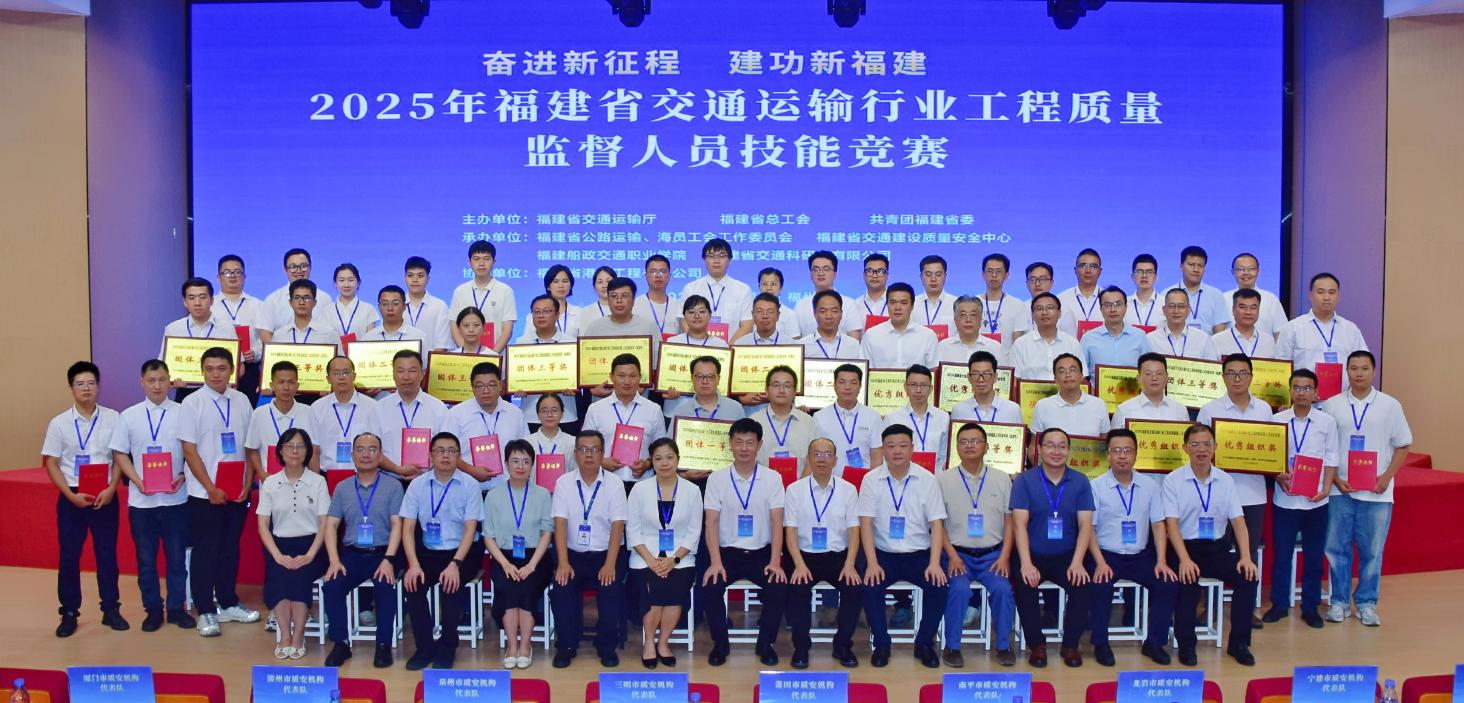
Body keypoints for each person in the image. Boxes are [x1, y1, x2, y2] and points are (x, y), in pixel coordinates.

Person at [1321, 351, 1411, 626]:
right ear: (1346, 371)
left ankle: (1367, 603)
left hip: (1377, 493)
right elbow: (1325, 448)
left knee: (1372, 551)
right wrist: (1335, 480)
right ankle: (1339, 602)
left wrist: (1386, 477)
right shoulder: (1332, 405)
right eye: (1353, 368)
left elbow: (1403, 444)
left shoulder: (1390, 405)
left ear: (1374, 371)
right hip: (1341, 491)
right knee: (1336, 549)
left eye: (1364, 368)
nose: (1359, 373)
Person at [179, 346, 261, 636]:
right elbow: (189, 451)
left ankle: (228, 602)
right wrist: (210, 488)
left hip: (236, 492)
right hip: (205, 494)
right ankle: (205, 610)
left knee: (229, 548)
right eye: (210, 369)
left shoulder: (242, 401)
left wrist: (248, 482)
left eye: (222, 368)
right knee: (206, 550)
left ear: (233, 371)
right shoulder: (192, 403)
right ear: (202, 371)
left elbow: (250, 446)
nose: (216, 374)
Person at [42, 360, 126, 638]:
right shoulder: (59, 423)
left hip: (105, 494)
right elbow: (52, 462)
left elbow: (119, 457)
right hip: (72, 496)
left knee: (107, 554)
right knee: (69, 556)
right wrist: (70, 495)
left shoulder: (114, 418)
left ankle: (111, 609)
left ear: (99, 386)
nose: (86, 388)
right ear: (71, 388)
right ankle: (69, 612)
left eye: (91, 383)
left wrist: (112, 489)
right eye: (80, 384)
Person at [1163, 423, 1258, 666]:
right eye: (1195, 444)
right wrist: (1184, 559)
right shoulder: (1173, 480)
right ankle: (1187, 644)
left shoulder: (1225, 480)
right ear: (1185, 448)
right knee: (1187, 582)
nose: (1201, 449)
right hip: (1184, 548)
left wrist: (1246, 557)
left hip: (1216, 549)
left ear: (1215, 447)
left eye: (1207, 444)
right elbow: (1171, 525)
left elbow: (1238, 521)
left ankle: (1239, 644)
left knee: (1248, 577)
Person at [110, 360, 194, 632]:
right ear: (142, 382)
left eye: (162, 380)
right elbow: (120, 453)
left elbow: (193, 451)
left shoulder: (184, 412)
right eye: (151, 380)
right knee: (146, 561)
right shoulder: (129, 416)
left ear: (170, 381)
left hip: (176, 499)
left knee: (177, 559)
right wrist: (137, 481)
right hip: (142, 502)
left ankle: (176, 608)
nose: (157, 386)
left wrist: (183, 474)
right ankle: (153, 610)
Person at [857, 424, 948, 668]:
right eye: (891, 446)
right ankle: (882, 643)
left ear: (912, 449)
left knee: (939, 585)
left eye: (903, 446)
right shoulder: (871, 479)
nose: (897, 451)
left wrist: (934, 563)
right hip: (883, 554)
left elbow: (936, 524)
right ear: (883, 449)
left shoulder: (927, 479)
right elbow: (866, 524)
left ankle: (924, 643)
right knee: (870, 585)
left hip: (920, 554)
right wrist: (872, 562)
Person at [1086, 429, 1178, 666]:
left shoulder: (1150, 486)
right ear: (1108, 455)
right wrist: (1100, 562)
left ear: (1136, 454)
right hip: (1106, 554)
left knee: (1167, 583)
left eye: (1127, 450)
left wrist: (1161, 561)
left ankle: (1154, 643)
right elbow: (1089, 529)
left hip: (1140, 556)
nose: (1122, 456)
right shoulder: (1096, 486)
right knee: (1100, 585)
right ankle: (1100, 643)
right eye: (1116, 450)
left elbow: (1158, 525)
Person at [702, 418, 790, 666]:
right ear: (730, 444)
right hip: (727, 554)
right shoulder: (717, 479)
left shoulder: (772, 478)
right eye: (738, 442)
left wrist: (775, 561)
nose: (744, 448)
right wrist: (715, 562)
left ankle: (766, 644)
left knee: (778, 587)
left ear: (759, 445)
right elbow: (711, 522)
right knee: (710, 587)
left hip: (762, 553)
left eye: (750, 443)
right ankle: (720, 644)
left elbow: (777, 521)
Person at [1010, 428, 1095, 668]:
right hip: (1032, 553)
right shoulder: (1025, 481)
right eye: (1050, 445)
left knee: (1083, 585)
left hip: (1068, 555)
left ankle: (1070, 645)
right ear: (1039, 449)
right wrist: (1026, 563)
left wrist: (1077, 562)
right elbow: (1019, 524)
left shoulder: (1080, 481)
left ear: (1068, 450)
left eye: (1061, 446)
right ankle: (1037, 645)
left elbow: (1085, 525)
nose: (1056, 451)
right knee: (1025, 584)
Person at [400, 432, 485, 670]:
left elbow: (470, 528)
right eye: (440, 451)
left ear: (459, 456)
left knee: (450, 586)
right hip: (429, 551)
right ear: (430, 456)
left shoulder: (469, 484)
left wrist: (455, 564)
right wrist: (413, 564)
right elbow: (408, 528)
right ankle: (424, 647)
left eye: (451, 451)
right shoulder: (418, 484)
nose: (445, 455)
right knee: (413, 585)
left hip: (462, 552)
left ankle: (448, 647)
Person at [936, 423, 1016, 668]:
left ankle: (1003, 646)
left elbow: (1010, 522)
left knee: (1003, 590)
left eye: (975, 441)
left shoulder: (1002, 479)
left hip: (993, 555)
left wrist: (1004, 557)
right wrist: (951, 555)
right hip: (957, 554)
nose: (969, 445)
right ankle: (952, 646)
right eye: (963, 441)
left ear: (986, 447)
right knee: (959, 589)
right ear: (956, 447)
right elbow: (938, 523)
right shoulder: (943, 479)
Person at [321, 432, 404, 668]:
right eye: (360, 449)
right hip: (352, 554)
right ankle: (341, 643)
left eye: (372, 449)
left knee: (384, 586)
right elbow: (331, 525)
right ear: (352, 455)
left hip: (384, 553)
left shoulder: (393, 486)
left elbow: (397, 524)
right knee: (332, 585)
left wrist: (389, 559)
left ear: (380, 455)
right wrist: (334, 560)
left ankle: (383, 645)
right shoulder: (342, 487)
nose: (366, 454)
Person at [1263, 369, 1336, 629]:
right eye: (1296, 387)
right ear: (1290, 391)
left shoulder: (1326, 422)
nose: (1301, 392)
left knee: (1314, 557)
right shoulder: (1277, 420)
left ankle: (1310, 607)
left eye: (1307, 388)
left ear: (1316, 393)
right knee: (1282, 555)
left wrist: (1326, 488)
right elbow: (1271, 457)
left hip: (1316, 501)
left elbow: (1331, 457)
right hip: (1285, 500)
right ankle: (1279, 604)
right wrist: (1278, 476)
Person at [549, 431, 629, 669]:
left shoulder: (614, 484)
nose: (589, 455)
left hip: (607, 554)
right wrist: (563, 562)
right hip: (572, 554)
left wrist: (610, 564)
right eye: (583, 449)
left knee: (611, 591)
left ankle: (606, 646)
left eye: (594, 449)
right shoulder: (564, 483)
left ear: (602, 454)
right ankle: (566, 646)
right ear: (575, 454)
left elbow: (618, 526)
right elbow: (560, 523)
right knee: (561, 590)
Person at [783, 437, 864, 669]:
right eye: (816, 454)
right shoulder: (795, 490)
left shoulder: (848, 490)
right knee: (797, 589)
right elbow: (790, 531)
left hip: (838, 557)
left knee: (854, 589)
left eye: (827, 454)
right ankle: (801, 647)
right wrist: (799, 564)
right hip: (803, 556)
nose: (822, 459)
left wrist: (849, 564)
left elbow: (854, 531)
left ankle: (842, 646)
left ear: (835, 460)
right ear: (808, 459)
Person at [1196, 354, 1272, 602]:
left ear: (1251, 377)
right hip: (1215, 495)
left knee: (1247, 554)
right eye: (1231, 373)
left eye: (1242, 373)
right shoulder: (1210, 410)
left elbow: (1272, 448)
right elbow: (1199, 451)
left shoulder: (1264, 409)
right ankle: (1209, 607)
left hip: (1252, 494)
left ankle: (1245, 611)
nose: (1237, 378)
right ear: (1223, 377)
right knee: (1212, 554)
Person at [626, 438, 703, 669]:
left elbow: (694, 532)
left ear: (678, 459)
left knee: (675, 590)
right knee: (652, 591)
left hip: (680, 557)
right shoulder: (639, 490)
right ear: (651, 462)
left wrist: (674, 560)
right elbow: (633, 530)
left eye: (669, 457)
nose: (664, 463)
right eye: (658, 458)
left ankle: (663, 642)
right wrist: (651, 561)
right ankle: (649, 642)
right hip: (644, 557)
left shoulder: (692, 491)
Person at [257, 428, 330, 660]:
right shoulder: (270, 483)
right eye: (289, 446)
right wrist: (277, 555)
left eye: (300, 446)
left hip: (312, 546)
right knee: (278, 574)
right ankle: (284, 636)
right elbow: (263, 525)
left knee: (299, 575)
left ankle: (298, 635)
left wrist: (310, 555)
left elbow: (325, 523)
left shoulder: (318, 482)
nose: (295, 451)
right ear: (281, 451)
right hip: (279, 545)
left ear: (307, 451)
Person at [482, 440, 555, 669]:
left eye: (526, 461)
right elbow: (488, 536)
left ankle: (525, 645)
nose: (520, 466)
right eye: (515, 461)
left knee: (525, 586)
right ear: (506, 464)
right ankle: (511, 646)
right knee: (508, 587)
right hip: (503, 557)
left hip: (536, 557)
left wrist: (532, 565)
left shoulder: (543, 494)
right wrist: (504, 564)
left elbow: (546, 533)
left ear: (533, 465)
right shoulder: (493, 495)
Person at [582, 353, 666, 483]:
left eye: (632, 376)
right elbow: (584, 447)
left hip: (642, 483)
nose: (627, 381)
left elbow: (662, 448)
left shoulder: (654, 410)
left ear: (640, 377)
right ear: (611, 377)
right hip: (605, 483)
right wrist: (601, 462)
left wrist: (647, 464)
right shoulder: (596, 409)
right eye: (621, 376)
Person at [447, 361, 531, 491]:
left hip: (507, 490)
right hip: (468, 489)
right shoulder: (456, 414)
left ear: (500, 385)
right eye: (480, 386)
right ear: (472, 387)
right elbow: (448, 451)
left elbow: (526, 451)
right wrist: (471, 470)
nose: (486, 391)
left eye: (491, 385)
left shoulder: (516, 413)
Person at [1277, 273, 1369, 389]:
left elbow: (1364, 363)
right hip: (1304, 397)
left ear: (1338, 296)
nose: (1326, 297)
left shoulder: (1350, 329)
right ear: (1310, 296)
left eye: (1331, 292)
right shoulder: (1293, 327)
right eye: (1320, 292)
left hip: (1342, 397)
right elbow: (1280, 366)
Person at [377, 350, 449, 480]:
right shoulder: (379, 408)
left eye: (412, 371)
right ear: (393, 375)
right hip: (388, 479)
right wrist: (396, 469)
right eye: (400, 371)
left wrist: (425, 472)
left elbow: (446, 448)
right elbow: (372, 449)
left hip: (429, 480)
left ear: (422, 374)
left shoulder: (438, 408)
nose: (406, 377)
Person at [515, 293, 579, 432]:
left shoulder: (571, 344)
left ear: (557, 315)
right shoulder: (521, 344)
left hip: (565, 414)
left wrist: (575, 386)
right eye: (536, 312)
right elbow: (515, 377)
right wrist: (516, 386)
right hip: (530, 414)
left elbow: (579, 379)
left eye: (546, 311)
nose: (541, 315)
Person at [309, 356, 382, 471]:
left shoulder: (372, 407)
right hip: (327, 475)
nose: (341, 377)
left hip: (362, 474)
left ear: (354, 376)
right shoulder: (317, 408)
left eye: (346, 372)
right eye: (336, 373)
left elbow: (379, 447)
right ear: (328, 378)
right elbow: (314, 449)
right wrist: (317, 480)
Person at [813, 363, 884, 476]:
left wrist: (872, 483)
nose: (847, 387)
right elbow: (815, 455)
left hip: (864, 483)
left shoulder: (873, 417)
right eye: (842, 382)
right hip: (831, 482)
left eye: (853, 382)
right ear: (834, 385)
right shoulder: (820, 417)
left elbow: (877, 456)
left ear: (860, 386)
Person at [212, 255, 266, 398]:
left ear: (244, 276)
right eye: (227, 272)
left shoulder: (258, 305)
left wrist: (256, 353)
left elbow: (265, 337)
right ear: (218, 277)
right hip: (216, 369)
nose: (232, 276)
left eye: (237, 272)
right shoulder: (210, 305)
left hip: (249, 369)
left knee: (247, 409)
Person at [679, 237, 754, 340]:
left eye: (722, 256)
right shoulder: (691, 288)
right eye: (711, 256)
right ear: (704, 260)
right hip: (698, 347)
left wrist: (727, 347)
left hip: (731, 347)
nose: (716, 261)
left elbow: (747, 325)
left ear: (730, 260)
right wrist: (700, 344)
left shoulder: (743, 290)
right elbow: (684, 321)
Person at [449, 240, 517, 351]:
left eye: (486, 258)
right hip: (466, 357)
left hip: (496, 356)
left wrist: (492, 356)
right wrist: (466, 354)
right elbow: (454, 328)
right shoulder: (460, 291)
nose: (481, 263)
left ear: (494, 262)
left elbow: (507, 330)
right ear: (469, 262)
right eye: (476, 259)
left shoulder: (505, 291)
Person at [754, 365, 819, 476]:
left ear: (795, 392)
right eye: (776, 385)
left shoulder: (808, 422)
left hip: (800, 485)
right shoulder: (754, 421)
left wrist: (800, 485)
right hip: (762, 485)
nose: (781, 390)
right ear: (766, 390)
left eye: (787, 386)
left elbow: (814, 458)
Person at [884, 364, 949, 472]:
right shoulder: (892, 419)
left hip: (934, 478)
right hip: (902, 475)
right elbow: (885, 454)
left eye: (923, 385)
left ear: (931, 389)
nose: (918, 390)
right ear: (905, 387)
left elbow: (944, 454)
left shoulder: (943, 417)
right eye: (913, 385)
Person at [582, 276, 664, 362]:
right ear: (608, 300)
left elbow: (657, 362)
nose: (619, 300)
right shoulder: (594, 328)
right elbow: (585, 361)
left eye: (624, 296)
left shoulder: (649, 327)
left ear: (633, 299)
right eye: (614, 296)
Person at [860, 282, 939, 369]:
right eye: (893, 302)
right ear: (887, 305)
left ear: (912, 306)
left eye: (903, 303)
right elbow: (864, 371)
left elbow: (933, 370)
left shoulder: (927, 336)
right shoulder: (871, 335)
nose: (897, 307)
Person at [1030, 354, 1111, 439]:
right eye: (1062, 371)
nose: (1068, 374)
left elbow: (1104, 443)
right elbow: (1034, 444)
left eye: (1072, 370)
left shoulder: (1099, 405)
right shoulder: (1042, 406)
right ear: (1055, 379)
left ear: (1082, 376)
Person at [1010, 293, 1082, 380]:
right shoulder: (1020, 344)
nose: (1044, 312)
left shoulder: (1072, 343)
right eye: (1039, 309)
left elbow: (1082, 378)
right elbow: (1014, 379)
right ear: (1032, 315)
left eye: (1050, 308)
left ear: (1059, 313)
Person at [161, 277, 237, 361]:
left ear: (212, 300)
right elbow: (163, 363)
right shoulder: (173, 329)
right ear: (185, 302)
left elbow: (238, 365)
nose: (197, 303)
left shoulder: (227, 329)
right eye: (191, 298)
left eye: (202, 297)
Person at [261, 248, 334, 333]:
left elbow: (330, 331)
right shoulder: (273, 300)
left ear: (310, 268)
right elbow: (265, 333)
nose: (299, 271)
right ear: (285, 270)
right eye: (293, 267)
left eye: (303, 266)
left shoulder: (325, 298)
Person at [1111, 353, 1191, 428]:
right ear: (1138, 378)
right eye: (1148, 374)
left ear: (1167, 377)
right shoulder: (1124, 410)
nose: (1154, 378)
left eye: (1159, 373)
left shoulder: (1180, 410)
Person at [794, 250, 860, 338]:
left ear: (835, 274)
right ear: (810, 274)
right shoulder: (801, 305)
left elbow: (854, 340)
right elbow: (796, 340)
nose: (821, 273)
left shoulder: (849, 303)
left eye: (826, 269)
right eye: (816, 269)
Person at [1223, 253, 1288, 339]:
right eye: (1241, 269)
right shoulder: (1223, 299)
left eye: (1251, 269)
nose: (1246, 273)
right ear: (1233, 272)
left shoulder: (1271, 299)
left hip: (1264, 347)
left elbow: (1281, 333)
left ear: (1258, 271)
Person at [665, 355, 743, 425]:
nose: (705, 381)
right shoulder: (680, 412)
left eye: (710, 376)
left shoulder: (735, 409)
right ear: (692, 379)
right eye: (699, 376)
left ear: (718, 379)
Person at [1167, 245, 1229, 333]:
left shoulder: (1216, 295)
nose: (1196, 269)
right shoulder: (1166, 294)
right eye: (1191, 264)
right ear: (1181, 266)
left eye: (1200, 265)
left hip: (1207, 342)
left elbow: (1220, 333)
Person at [1081, 286, 1147, 370]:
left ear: (1126, 307)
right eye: (1107, 305)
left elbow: (1147, 369)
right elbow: (1082, 372)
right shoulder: (1088, 338)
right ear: (1101, 309)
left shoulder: (1140, 336)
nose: (1113, 309)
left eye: (1118, 304)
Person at [950, 351, 1023, 424]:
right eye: (975, 374)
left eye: (986, 374)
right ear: (969, 378)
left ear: (995, 377)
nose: (981, 379)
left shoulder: (1012, 410)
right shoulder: (959, 410)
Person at [1147, 288, 1220, 360]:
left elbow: (1211, 366)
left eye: (1181, 306)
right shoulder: (1151, 339)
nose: (1176, 311)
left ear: (1188, 310)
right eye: (1171, 306)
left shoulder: (1202, 339)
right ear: (1164, 310)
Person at [977, 253, 1029, 349]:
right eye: (990, 271)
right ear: (983, 275)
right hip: (977, 357)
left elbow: (1018, 343)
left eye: (999, 271)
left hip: (1006, 358)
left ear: (1006, 275)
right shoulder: (973, 303)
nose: (994, 275)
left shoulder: (1017, 304)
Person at [937, 295, 1005, 368]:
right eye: (963, 315)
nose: (968, 320)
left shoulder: (995, 347)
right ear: (955, 320)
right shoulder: (942, 347)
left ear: (980, 319)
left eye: (973, 315)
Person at [401, 256, 452, 350]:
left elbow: (442, 345)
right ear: (405, 278)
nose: (415, 280)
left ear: (428, 279)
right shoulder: (397, 305)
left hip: (429, 359)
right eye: (410, 275)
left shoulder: (439, 306)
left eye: (420, 276)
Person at [801, 289, 865, 361]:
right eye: (823, 311)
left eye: (834, 311)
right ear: (815, 314)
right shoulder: (802, 345)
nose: (828, 316)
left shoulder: (853, 345)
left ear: (841, 314)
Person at [1057, 248, 1105, 339]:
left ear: (1100, 271)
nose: (1088, 271)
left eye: (1093, 266)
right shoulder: (1061, 300)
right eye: (1083, 266)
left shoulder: (1109, 299)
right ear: (1075, 270)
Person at [1214, 289, 1277, 358]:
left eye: (1253, 308)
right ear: (1233, 310)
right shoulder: (1217, 340)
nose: (1248, 312)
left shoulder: (1268, 341)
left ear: (1258, 311)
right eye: (1242, 307)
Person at [634, 254, 684, 339]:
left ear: (669, 276)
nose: (658, 275)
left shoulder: (679, 306)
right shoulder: (634, 305)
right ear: (646, 276)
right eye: (653, 271)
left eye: (663, 271)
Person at [326, 263, 380, 341]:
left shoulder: (368, 309)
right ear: (335, 283)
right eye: (341, 280)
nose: (346, 284)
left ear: (358, 283)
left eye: (351, 280)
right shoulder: (326, 311)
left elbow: (371, 340)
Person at [269, 279, 332, 346]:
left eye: (307, 298)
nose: (301, 302)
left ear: (315, 302)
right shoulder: (279, 335)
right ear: (290, 302)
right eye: (297, 298)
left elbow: (338, 353)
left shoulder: (329, 334)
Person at [528, 394, 576, 470]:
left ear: (562, 413)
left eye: (554, 410)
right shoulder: (527, 443)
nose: (549, 415)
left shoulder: (573, 443)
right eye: (544, 411)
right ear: (538, 414)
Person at [915, 255, 958, 337]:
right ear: (921, 277)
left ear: (945, 276)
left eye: (938, 274)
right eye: (928, 275)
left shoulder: (957, 304)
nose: (933, 279)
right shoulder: (912, 304)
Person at [666, 294, 731, 349]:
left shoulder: (720, 345)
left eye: (701, 311)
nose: (697, 316)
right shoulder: (672, 342)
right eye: (691, 312)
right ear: (684, 316)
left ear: (710, 315)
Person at [755, 267, 802, 341]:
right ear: (759, 287)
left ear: (781, 287)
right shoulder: (751, 312)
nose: (769, 288)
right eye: (764, 284)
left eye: (773, 284)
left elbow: (795, 343)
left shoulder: (789, 314)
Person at [854, 252, 890, 334]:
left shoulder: (896, 304)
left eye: (880, 271)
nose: (875, 276)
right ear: (864, 275)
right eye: (870, 271)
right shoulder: (855, 306)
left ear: (887, 275)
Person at [1125, 254, 1162, 333]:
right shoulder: (1124, 304)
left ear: (1156, 277)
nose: (1144, 276)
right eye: (1139, 272)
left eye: (1149, 272)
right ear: (1132, 277)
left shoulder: (1165, 303)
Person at [543, 264, 581, 336]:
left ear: (570, 285)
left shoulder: (579, 313)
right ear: (548, 286)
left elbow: (585, 340)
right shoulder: (537, 314)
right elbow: (527, 340)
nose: (561, 286)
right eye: (556, 281)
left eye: (565, 281)